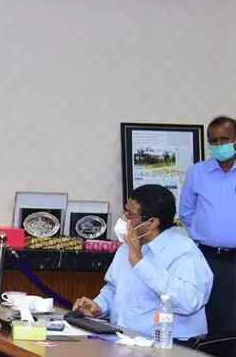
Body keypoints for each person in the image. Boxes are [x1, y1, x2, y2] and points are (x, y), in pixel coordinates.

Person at [74, 184, 214, 340]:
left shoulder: (184, 250)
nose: (123, 219)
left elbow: (189, 302)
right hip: (124, 339)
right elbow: (114, 288)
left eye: (130, 215)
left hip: (170, 346)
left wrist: (140, 263)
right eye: (125, 212)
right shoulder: (128, 245)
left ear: (152, 223)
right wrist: (99, 306)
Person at [179, 115, 236, 333]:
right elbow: (186, 212)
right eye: (214, 141)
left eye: (226, 139)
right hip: (205, 257)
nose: (220, 145)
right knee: (208, 317)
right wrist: (208, 231)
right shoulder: (197, 172)